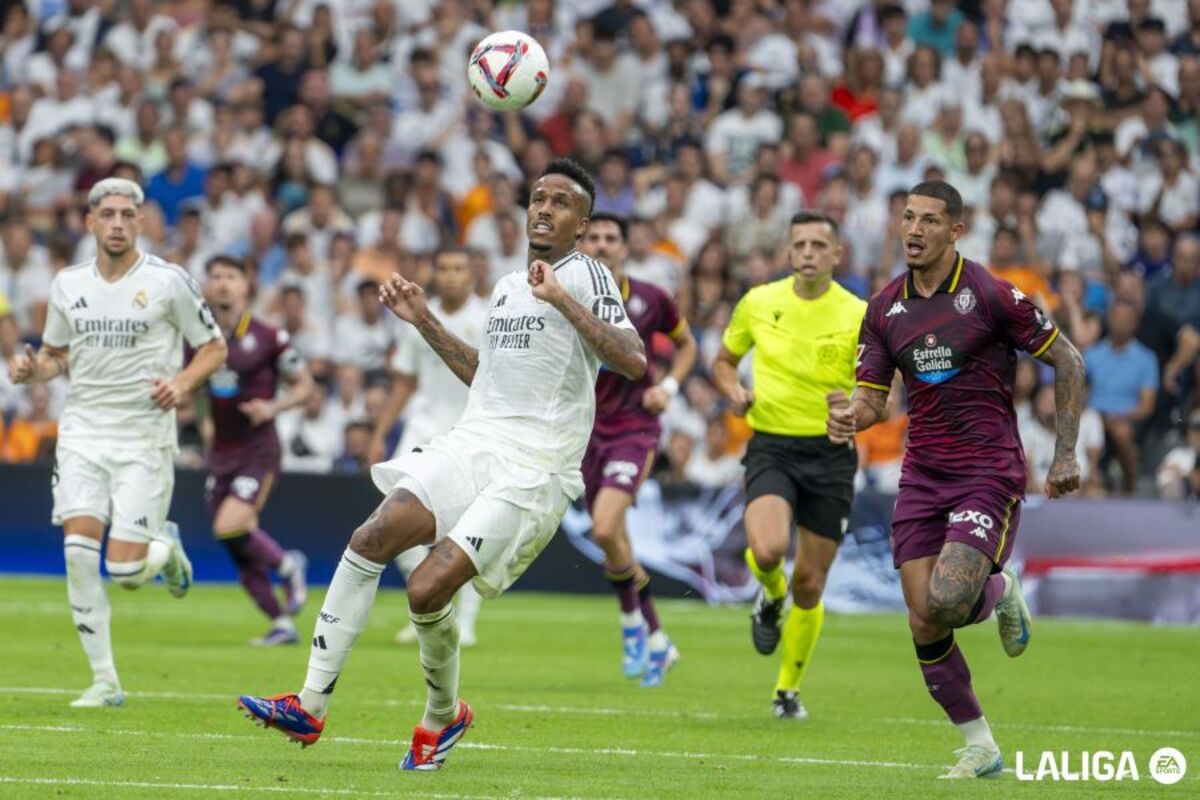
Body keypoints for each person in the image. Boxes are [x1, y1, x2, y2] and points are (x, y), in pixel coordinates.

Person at [237, 159, 646, 771]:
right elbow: (487, 378)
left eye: (561, 203)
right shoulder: (509, 286)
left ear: (582, 224)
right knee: (370, 537)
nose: (544, 208)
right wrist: (424, 321)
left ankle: (441, 716)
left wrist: (562, 299)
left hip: (535, 466)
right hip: (475, 438)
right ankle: (311, 703)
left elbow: (634, 360)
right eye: (538, 197)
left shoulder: (586, 275)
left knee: (428, 588)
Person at [828, 181, 1086, 779]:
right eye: (908, 218)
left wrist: (1065, 454)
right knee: (924, 617)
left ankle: (1001, 590)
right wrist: (851, 418)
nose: (914, 230)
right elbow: (873, 401)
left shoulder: (992, 294)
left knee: (949, 599)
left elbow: (1066, 358)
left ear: (955, 230)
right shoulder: (884, 307)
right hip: (922, 475)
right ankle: (981, 746)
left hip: (986, 471)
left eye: (929, 221)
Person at [6, 178, 228, 707]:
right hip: (82, 430)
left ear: (142, 222)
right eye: (107, 214)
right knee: (79, 554)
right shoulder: (67, 284)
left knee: (126, 572)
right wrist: (33, 368)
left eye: (128, 215)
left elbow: (214, 347)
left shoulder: (169, 282)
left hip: (142, 436)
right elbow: (57, 356)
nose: (117, 224)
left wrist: (180, 384)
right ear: (89, 222)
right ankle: (105, 681)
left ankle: (164, 548)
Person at [712, 211, 866, 719]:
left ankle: (787, 690)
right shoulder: (759, 302)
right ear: (787, 251)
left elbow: (878, 388)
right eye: (799, 243)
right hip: (772, 445)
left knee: (812, 585)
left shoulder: (857, 313)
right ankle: (769, 595)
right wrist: (732, 392)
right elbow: (722, 361)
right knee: (769, 547)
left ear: (836, 255)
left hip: (830, 454)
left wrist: (855, 410)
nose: (807, 252)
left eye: (819, 245)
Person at [579, 212, 697, 687]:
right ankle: (655, 637)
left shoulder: (651, 299)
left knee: (605, 526)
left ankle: (630, 623)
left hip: (634, 428)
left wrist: (667, 385)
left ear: (626, 248)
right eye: (593, 238)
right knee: (615, 541)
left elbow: (687, 346)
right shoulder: (565, 299)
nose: (602, 245)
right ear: (580, 244)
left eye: (611, 238)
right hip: (584, 432)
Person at [367, 247, 491, 648]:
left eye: (459, 267)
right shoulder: (415, 315)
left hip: (470, 432)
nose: (451, 275)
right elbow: (404, 381)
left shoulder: (490, 317)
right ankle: (430, 610)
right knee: (395, 525)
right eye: (444, 268)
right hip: (422, 430)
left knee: (464, 534)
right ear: (434, 272)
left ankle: (465, 622)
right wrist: (379, 433)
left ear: (473, 273)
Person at [198, 255, 314, 646]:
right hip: (221, 453)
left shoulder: (268, 337)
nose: (223, 284)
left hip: (258, 450)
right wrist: (203, 423)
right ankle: (280, 622)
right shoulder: (199, 339)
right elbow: (193, 387)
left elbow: (304, 385)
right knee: (235, 544)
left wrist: (272, 407)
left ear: (246, 285)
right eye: (216, 277)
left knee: (229, 525)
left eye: (231, 276)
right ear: (207, 286)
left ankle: (286, 564)